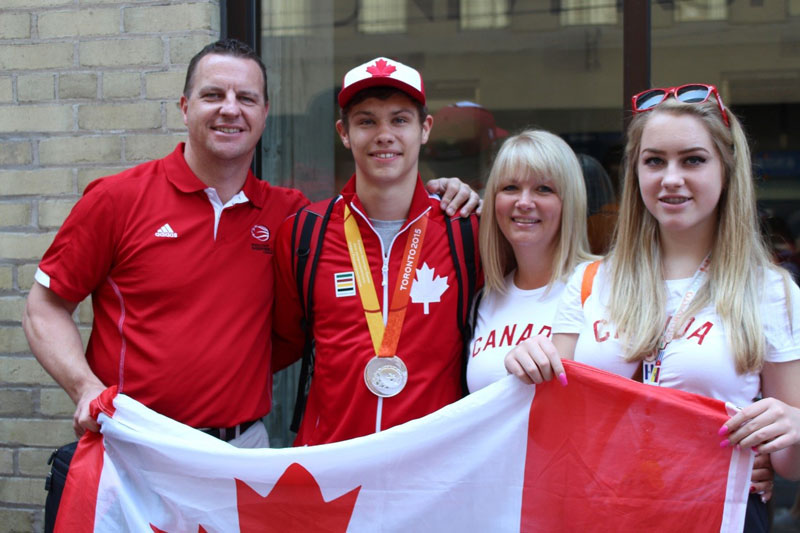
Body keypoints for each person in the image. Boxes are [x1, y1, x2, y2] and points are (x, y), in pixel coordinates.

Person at [22, 40, 478, 448]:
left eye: (246, 98)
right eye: (213, 95)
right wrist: (84, 388)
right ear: (184, 106)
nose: (230, 109)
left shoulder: (292, 218)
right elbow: (43, 306)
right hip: (136, 442)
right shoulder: (118, 199)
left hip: (240, 448)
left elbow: (288, 336)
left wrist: (444, 192)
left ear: (264, 113)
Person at [505, 84, 800, 529]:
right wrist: (524, 364)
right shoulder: (591, 282)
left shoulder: (769, 290)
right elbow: (551, 426)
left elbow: (788, 464)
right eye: (654, 161)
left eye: (693, 160)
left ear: (727, 169)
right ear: (636, 171)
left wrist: (794, 425)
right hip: (602, 513)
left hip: (715, 515)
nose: (671, 178)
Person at [272, 57, 482, 446]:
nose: (384, 134)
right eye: (367, 121)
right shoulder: (305, 233)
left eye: (400, 120)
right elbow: (281, 342)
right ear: (344, 133)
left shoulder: (467, 231)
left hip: (433, 472)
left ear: (425, 129)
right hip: (332, 469)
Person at [468, 130, 595, 393]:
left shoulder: (602, 284)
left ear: (568, 202)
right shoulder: (483, 298)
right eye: (510, 188)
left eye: (543, 189)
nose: (524, 202)